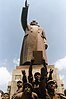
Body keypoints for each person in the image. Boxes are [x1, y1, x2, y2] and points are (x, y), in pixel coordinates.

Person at [20, 0, 48, 65]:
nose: (34, 21)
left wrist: (45, 42)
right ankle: (28, 62)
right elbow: (23, 20)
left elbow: (44, 37)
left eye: (35, 21)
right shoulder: (28, 27)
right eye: (32, 21)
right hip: (29, 41)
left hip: (39, 42)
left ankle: (41, 62)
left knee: (40, 55)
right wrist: (25, 9)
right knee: (28, 56)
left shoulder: (41, 28)